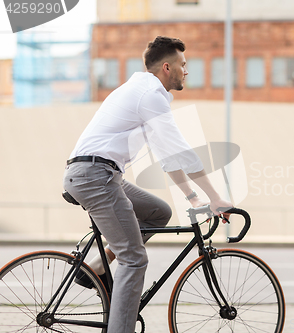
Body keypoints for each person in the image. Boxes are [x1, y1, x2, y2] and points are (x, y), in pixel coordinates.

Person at [63, 36, 232, 333]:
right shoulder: (149, 95)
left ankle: (95, 269)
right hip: (95, 176)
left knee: (157, 212)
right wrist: (216, 197)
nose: (186, 71)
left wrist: (192, 197)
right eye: (183, 65)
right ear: (167, 67)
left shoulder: (142, 91)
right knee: (134, 258)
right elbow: (181, 151)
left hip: (101, 174)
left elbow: (167, 154)